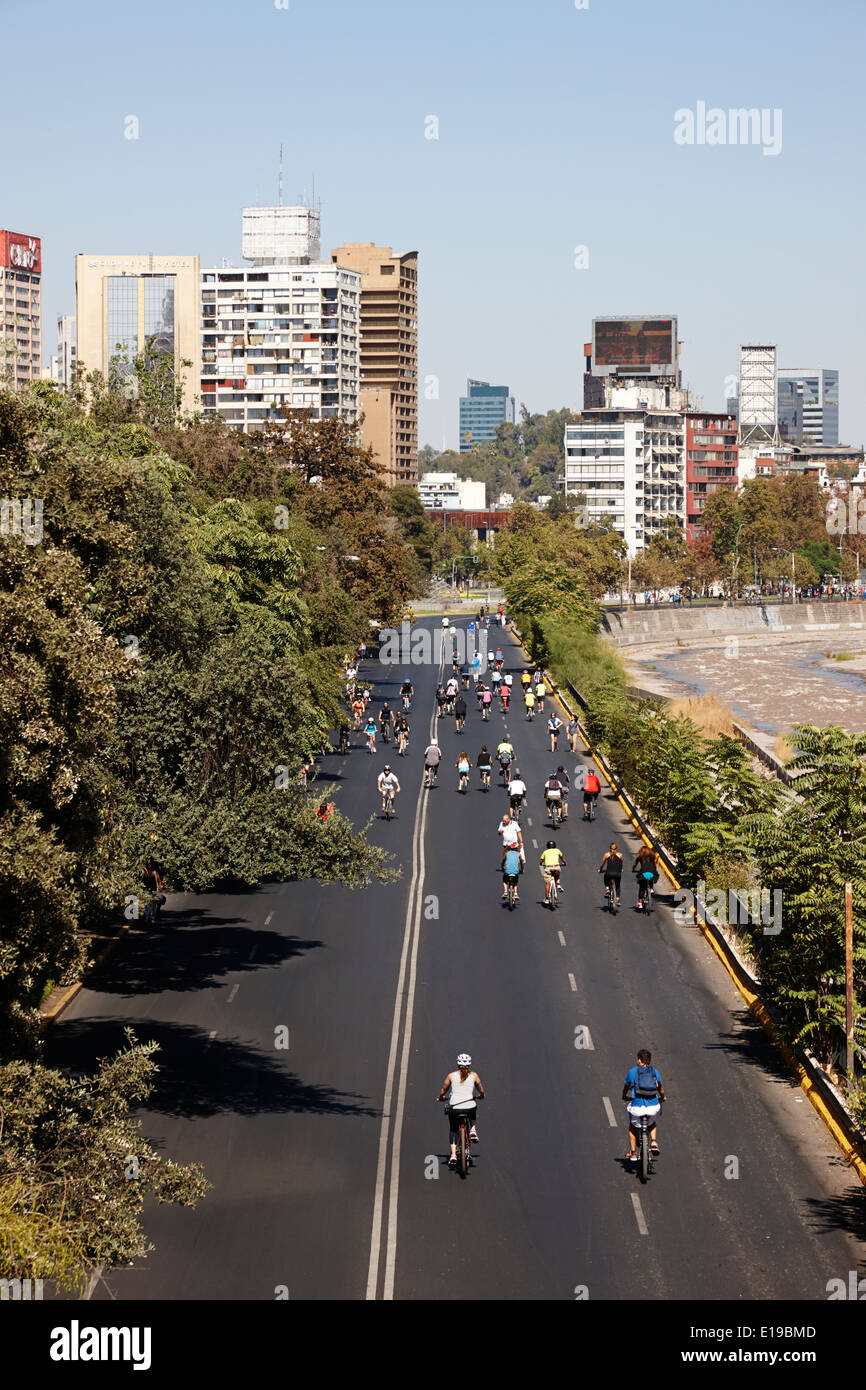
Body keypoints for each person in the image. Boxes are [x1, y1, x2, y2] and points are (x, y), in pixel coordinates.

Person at [438, 1054, 485, 1163]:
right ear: (469, 1064)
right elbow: (481, 1090)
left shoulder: (451, 1076)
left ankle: (453, 1155)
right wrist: (481, 1095)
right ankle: (473, 1129)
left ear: (458, 1064)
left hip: (455, 1108)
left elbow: (443, 1089)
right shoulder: (474, 1075)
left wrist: (441, 1097)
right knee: (473, 1109)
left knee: (453, 1129)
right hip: (469, 1106)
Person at [622, 1048, 666, 1161]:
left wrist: (624, 1096)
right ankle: (654, 1142)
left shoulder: (632, 1072)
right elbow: (660, 1088)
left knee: (632, 1126)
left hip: (637, 1108)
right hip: (653, 1107)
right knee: (652, 1123)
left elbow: (626, 1087)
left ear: (640, 1060)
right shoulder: (655, 1072)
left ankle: (632, 1152)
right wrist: (663, 1097)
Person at [633, 845, 659, 910]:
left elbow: (635, 864)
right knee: (651, 878)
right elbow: (654, 865)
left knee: (642, 887)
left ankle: (640, 902)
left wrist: (633, 869)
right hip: (652, 872)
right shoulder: (652, 856)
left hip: (643, 873)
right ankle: (651, 888)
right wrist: (654, 870)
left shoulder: (640, 856)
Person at [599, 842, 623, 907]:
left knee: (605, 878)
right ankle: (617, 899)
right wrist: (620, 869)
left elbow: (602, 864)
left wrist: (600, 869)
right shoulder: (620, 855)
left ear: (610, 848)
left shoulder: (606, 854)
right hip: (617, 874)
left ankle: (607, 889)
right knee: (617, 886)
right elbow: (621, 864)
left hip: (609, 873)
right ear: (616, 848)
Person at [142, 860, 165, 925]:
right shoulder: (143, 873)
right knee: (147, 904)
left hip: (154, 891)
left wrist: (159, 889)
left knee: (153, 904)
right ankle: (147, 918)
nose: (149, 866)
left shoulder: (155, 873)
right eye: (148, 865)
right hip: (146, 891)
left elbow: (159, 882)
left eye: (150, 865)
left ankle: (152, 918)